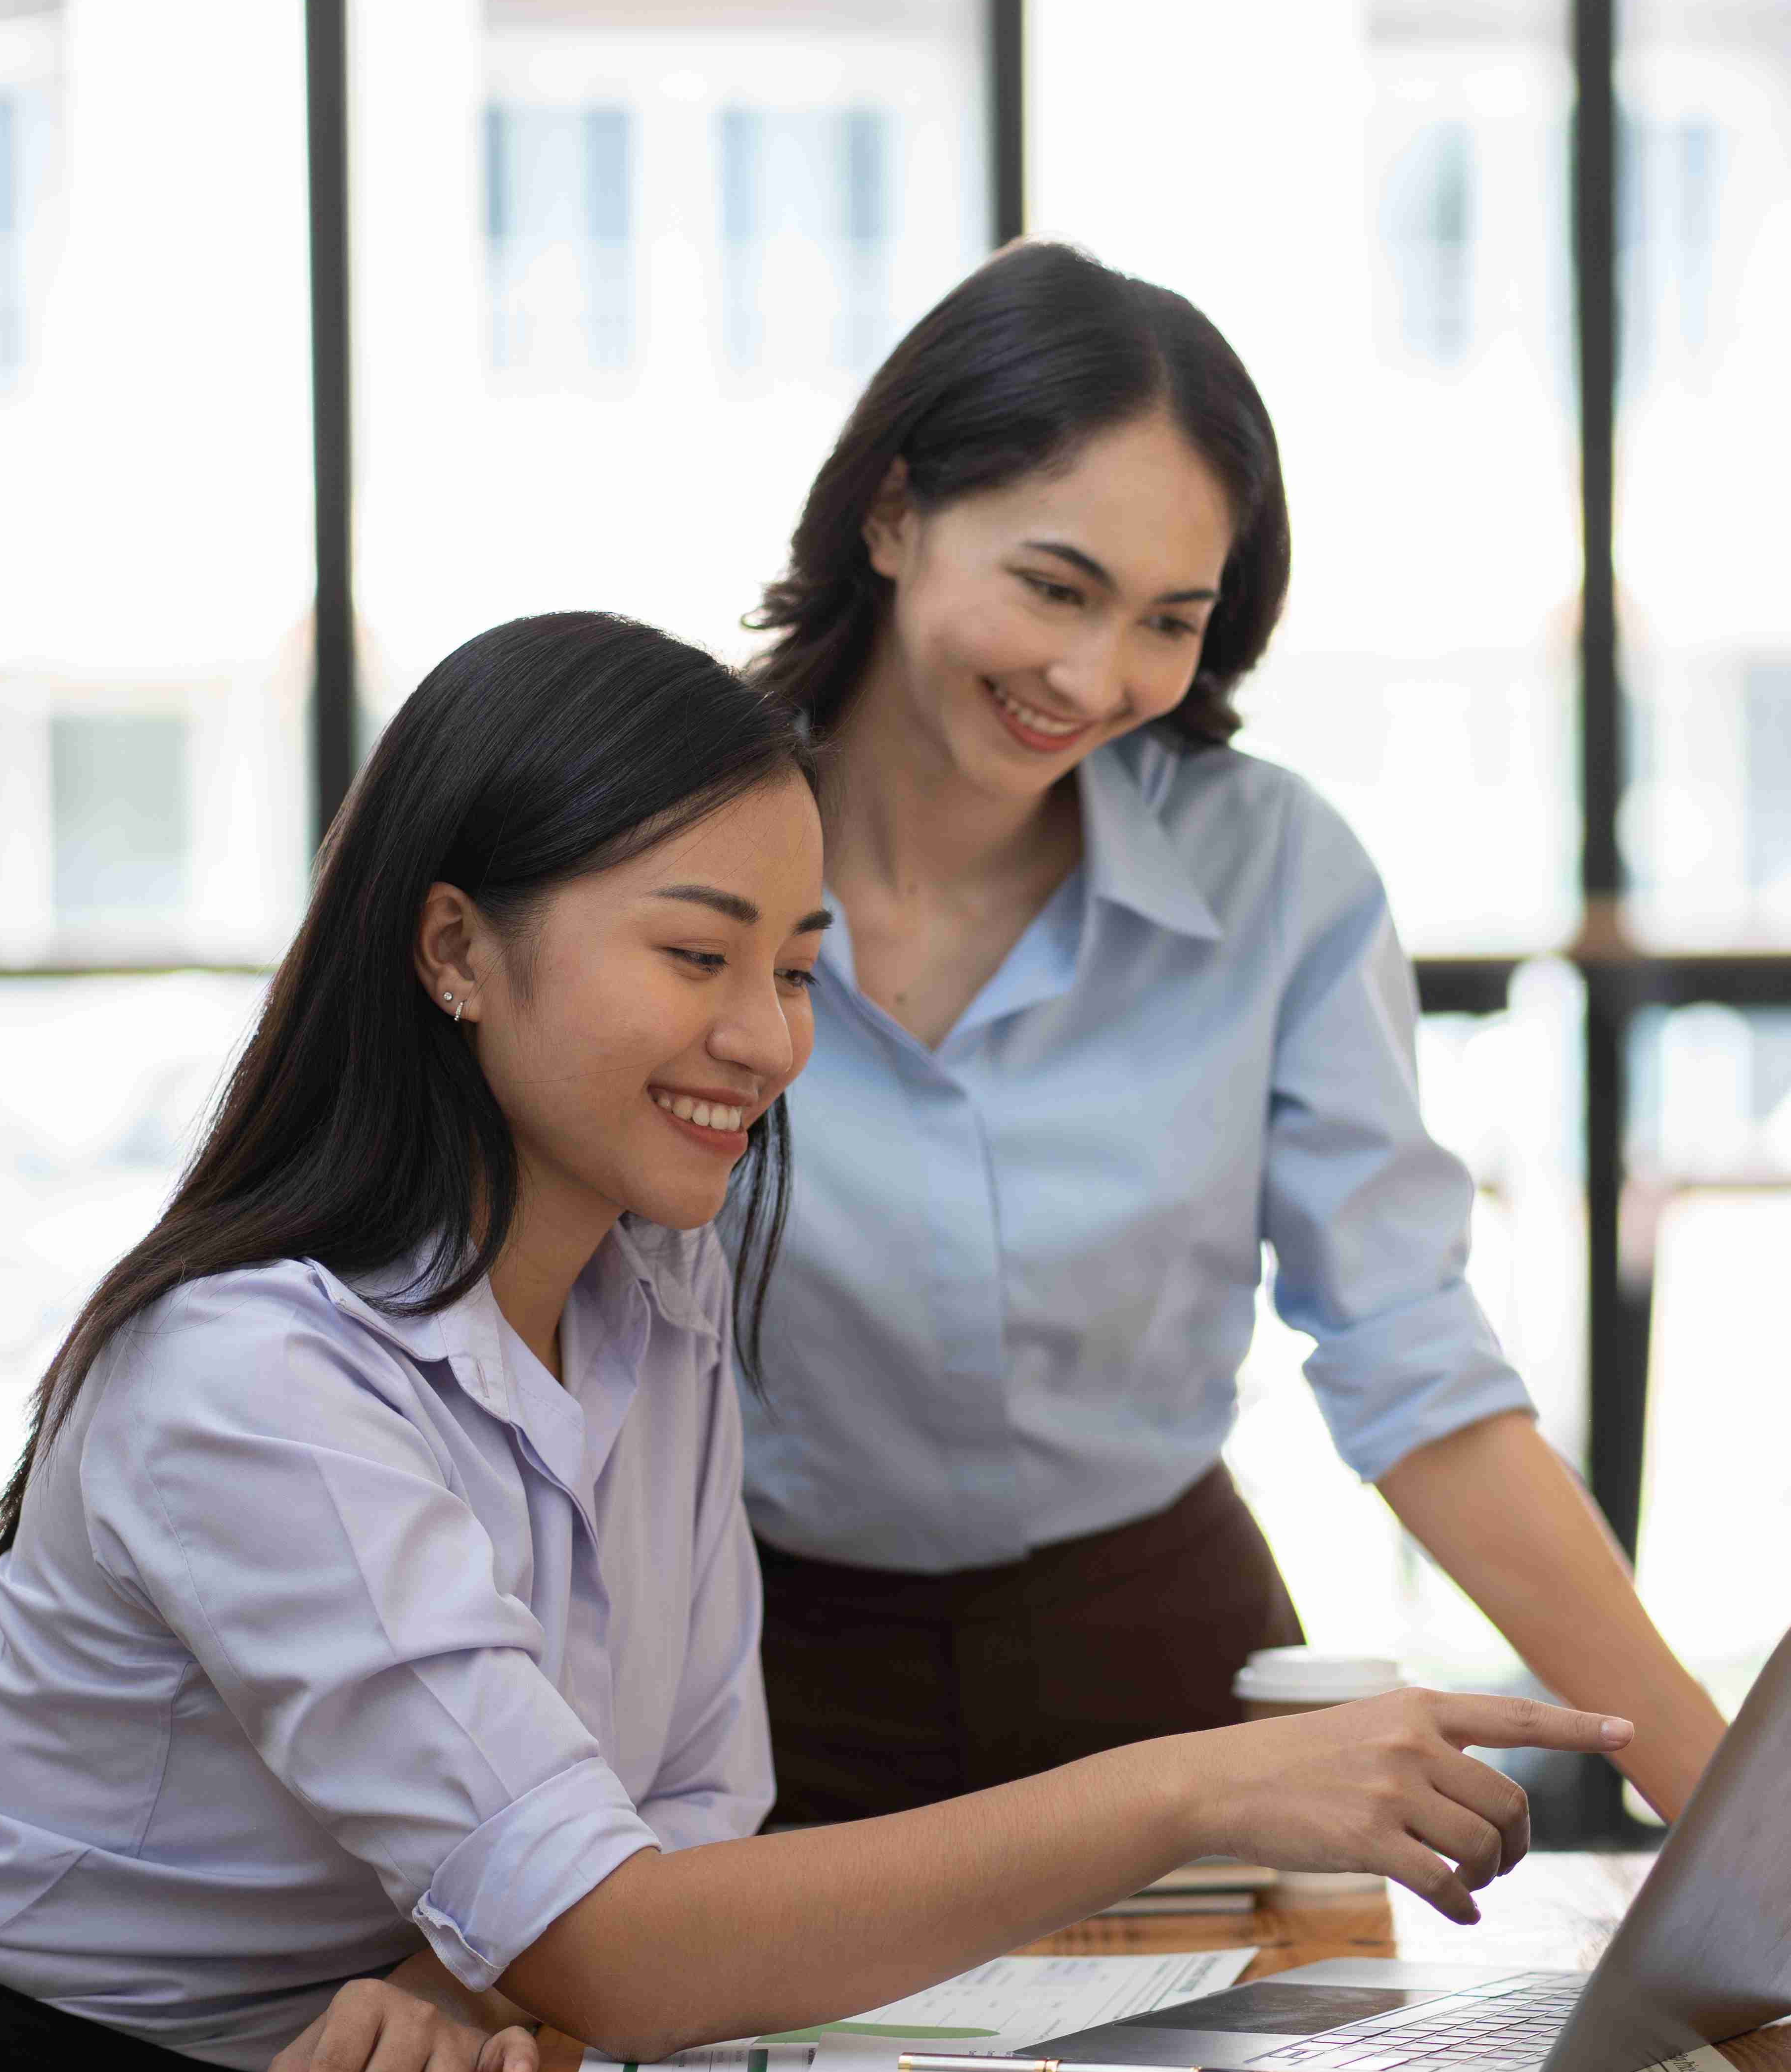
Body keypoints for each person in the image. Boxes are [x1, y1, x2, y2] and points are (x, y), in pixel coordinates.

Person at [0, 614, 1627, 2072]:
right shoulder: (255, 1378)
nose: (764, 1036)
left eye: (800, 967)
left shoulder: (653, 1317)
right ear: (458, 947)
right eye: (694, 953)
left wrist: (485, 1971)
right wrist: (1195, 1788)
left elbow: (679, 1830)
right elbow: (638, 1940)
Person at [738, 241, 1731, 1829]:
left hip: (1166, 1668)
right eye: (1055, 588)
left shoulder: (1274, 873)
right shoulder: (677, 854)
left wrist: (1712, 1773)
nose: (1092, 676)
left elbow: (1409, 1354)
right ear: (894, 511)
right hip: (749, 1678)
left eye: (1166, 621)